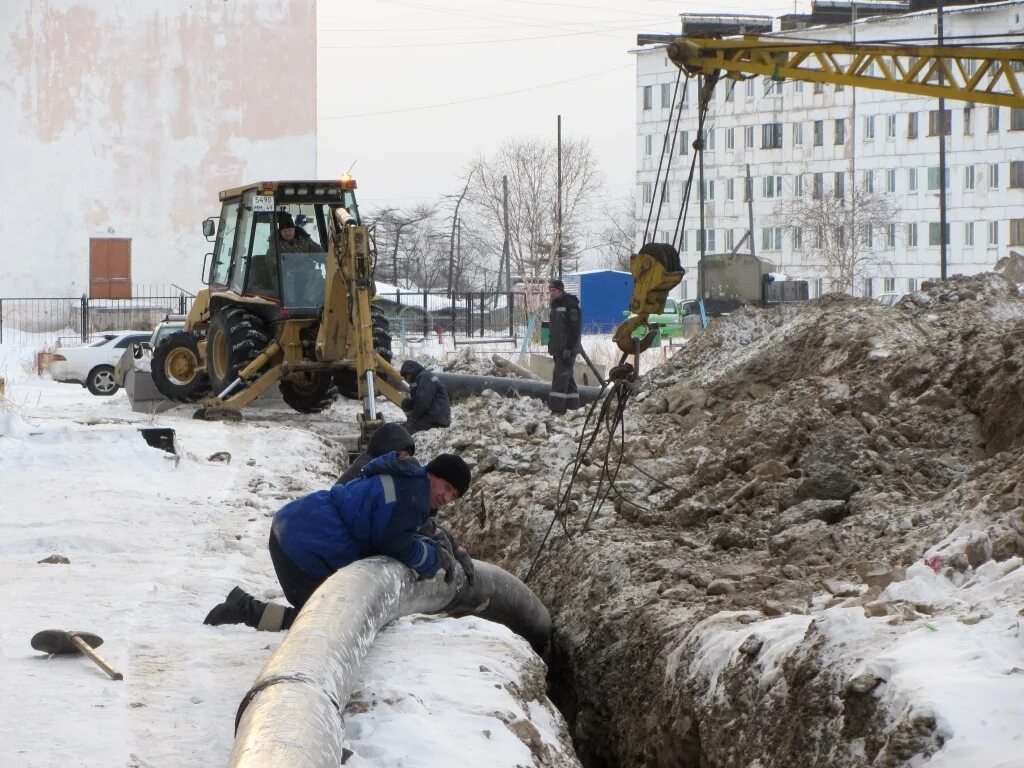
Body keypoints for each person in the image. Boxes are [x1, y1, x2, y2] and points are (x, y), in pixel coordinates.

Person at [203, 452, 473, 631]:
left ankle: (243, 607)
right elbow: (396, 545)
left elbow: (419, 529)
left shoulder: (408, 485)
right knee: (326, 623)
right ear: (432, 475)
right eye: (447, 488)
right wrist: (433, 558)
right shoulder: (411, 496)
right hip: (301, 547)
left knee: (328, 616)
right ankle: (244, 609)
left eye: (454, 495)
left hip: (295, 528)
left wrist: (452, 547)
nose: (448, 498)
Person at [336, 421, 416, 485]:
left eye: (409, 455)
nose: (407, 459)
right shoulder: (369, 471)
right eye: (404, 454)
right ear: (389, 449)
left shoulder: (372, 463)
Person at [546, 279, 581, 414]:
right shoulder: (555, 305)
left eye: (553, 290)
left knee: (559, 378)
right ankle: (573, 407)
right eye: (550, 290)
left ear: (560, 290)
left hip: (567, 350)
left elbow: (574, 329)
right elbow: (555, 329)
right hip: (557, 349)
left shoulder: (570, 305)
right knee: (567, 378)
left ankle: (556, 409)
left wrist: (569, 348)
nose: (551, 293)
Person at [399, 360, 451, 434]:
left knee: (408, 431)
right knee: (406, 403)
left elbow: (422, 401)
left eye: (407, 374)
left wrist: (413, 420)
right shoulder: (421, 377)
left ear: (412, 370)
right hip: (435, 413)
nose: (407, 378)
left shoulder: (424, 377)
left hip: (436, 418)